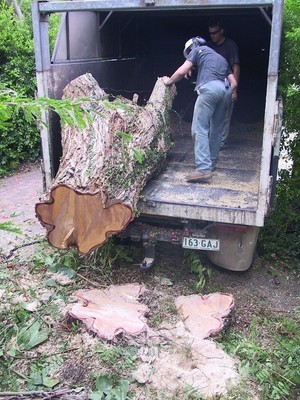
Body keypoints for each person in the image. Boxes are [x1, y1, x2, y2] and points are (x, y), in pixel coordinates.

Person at [161, 36, 237, 183]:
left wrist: (168, 81)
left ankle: (203, 169)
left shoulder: (196, 50)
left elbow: (182, 71)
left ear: (191, 48)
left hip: (210, 89)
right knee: (216, 129)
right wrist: (223, 91)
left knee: (199, 128)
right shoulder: (220, 58)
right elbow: (233, 83)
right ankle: (211, 164)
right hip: (226, 91)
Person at [207, 20, 240, 148]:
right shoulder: (209, 46)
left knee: (225, 117)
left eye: (214, 33)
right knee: (210, 115)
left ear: (221, 31)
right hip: (211, 86)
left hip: (226, 86)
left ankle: (220, 143)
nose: (212, 36)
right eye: (210, 33)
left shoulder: (230, 46)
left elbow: (236, 68)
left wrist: (234, 90)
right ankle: (211, 141)